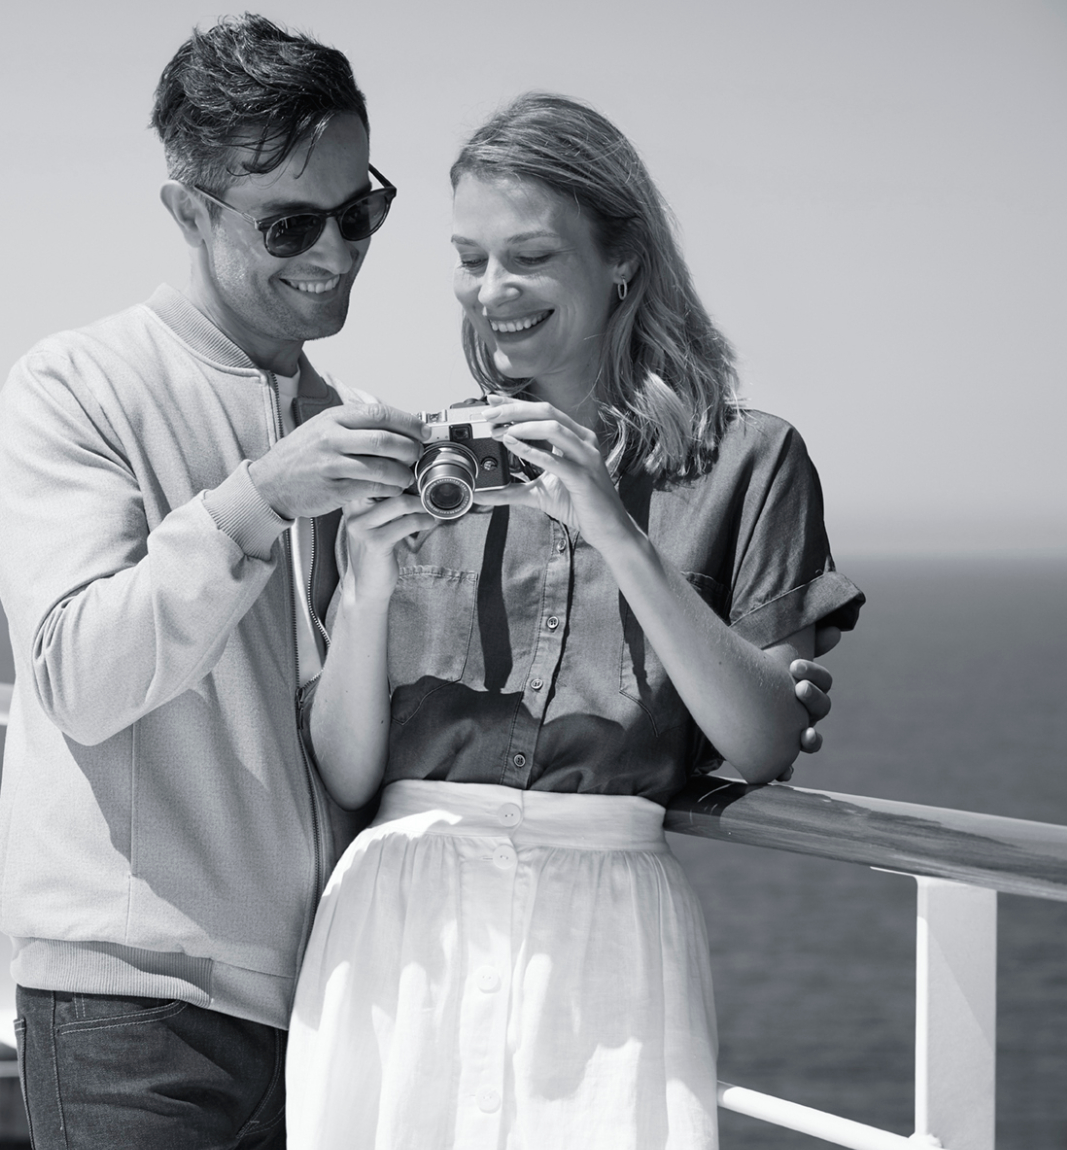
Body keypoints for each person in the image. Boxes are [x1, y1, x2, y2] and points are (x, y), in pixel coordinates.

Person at [0, 20, 840, 1147]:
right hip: (143, 997)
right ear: (187, 211)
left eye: (359, 213)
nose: (335, 254)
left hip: (327, 981)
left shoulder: (364, 434)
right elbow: (80, 678)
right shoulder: (80, 388)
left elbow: (344, 759)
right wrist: (265, 499)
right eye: (290, 222)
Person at [283, 92, 867, 1149]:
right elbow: (345, 774)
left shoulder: (748, 461)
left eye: (529, 256)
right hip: (395, 930)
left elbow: (764, 740)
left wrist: (615, 531)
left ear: (621, 261)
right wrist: (365, 587)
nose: (490, 292)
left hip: (606, 933)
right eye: (469, 258)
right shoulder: (422, 466)